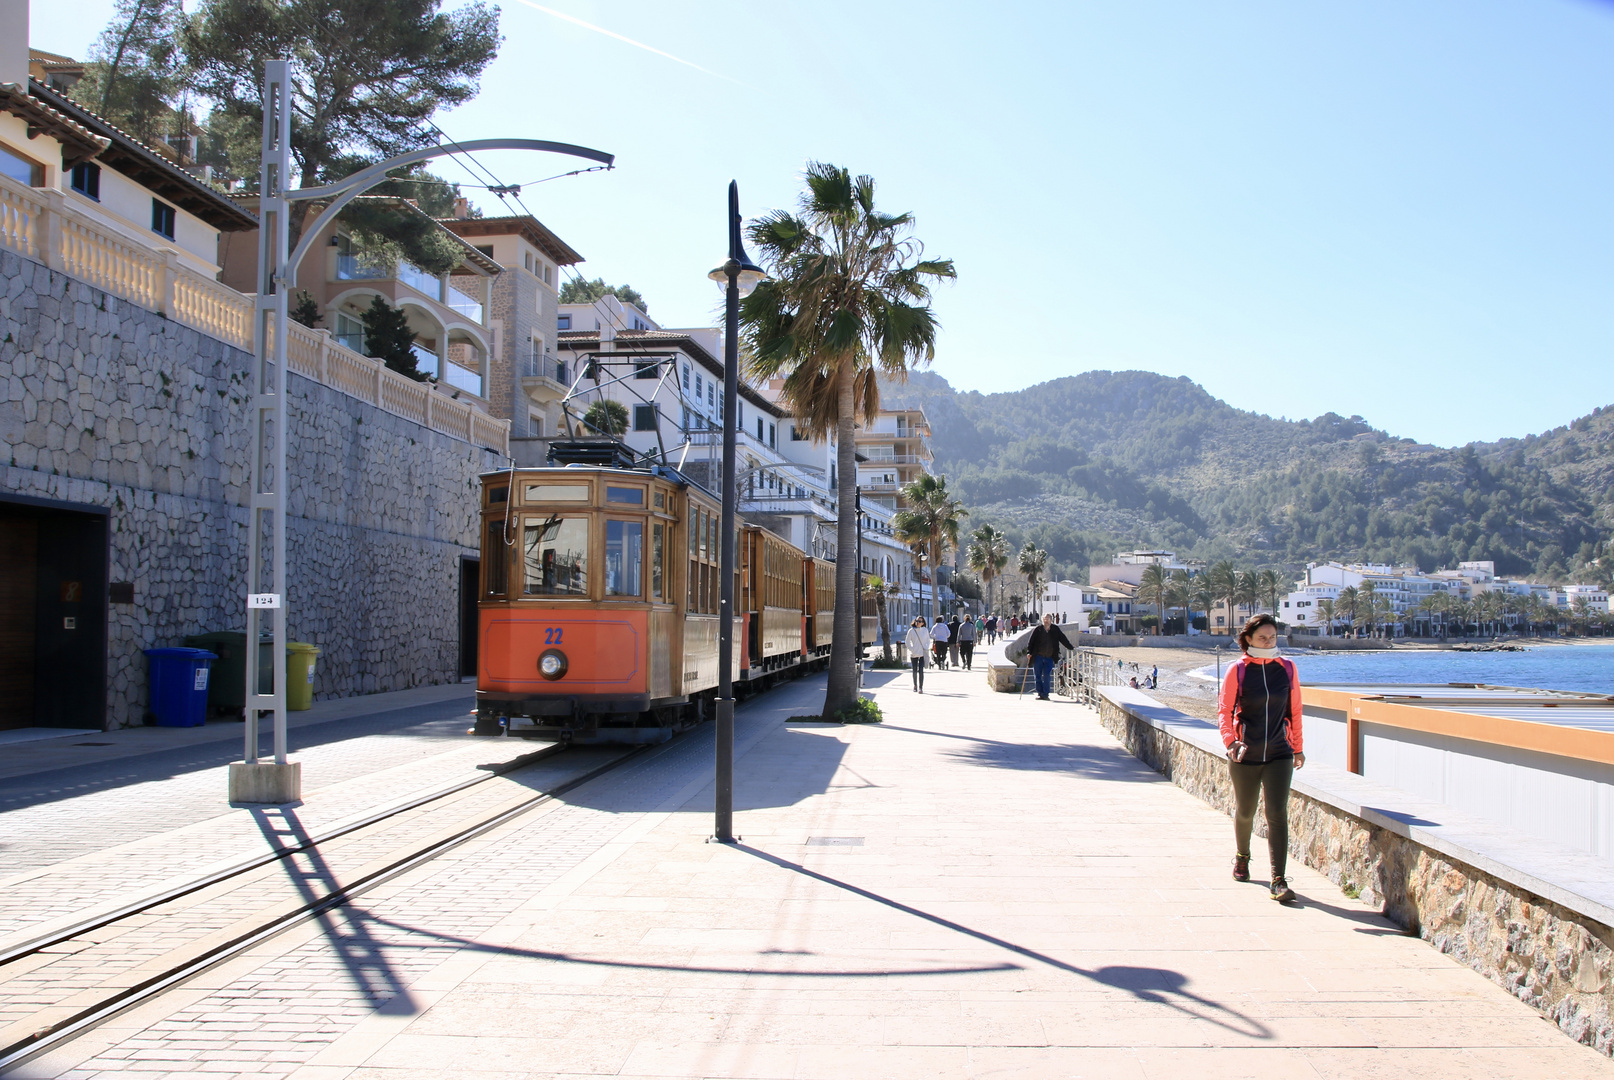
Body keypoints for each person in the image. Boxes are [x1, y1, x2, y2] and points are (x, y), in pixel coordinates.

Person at [1218, 613, 1305, 903]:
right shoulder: (1238, 670)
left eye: (1273, 637)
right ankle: (1242, 856)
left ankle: (1278, 880)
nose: (1268, 642)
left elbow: (1295, 710)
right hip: (1246, 753)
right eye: (1262, 638)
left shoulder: (1287, 668)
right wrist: (1231, 742)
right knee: (1246, 811)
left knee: (1277, 814)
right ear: (1248, 640)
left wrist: (1298, 747)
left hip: (1280, 752)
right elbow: (1224, 710)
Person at [1025, 613, 1074, 700]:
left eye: (1048, 619)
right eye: (1044, 619)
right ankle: (1040, 693)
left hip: (1050, 657)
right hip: (1038, 656)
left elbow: (1062, 638)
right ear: (1042, 620)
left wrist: (1071, 647)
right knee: (1038, 675)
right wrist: (1029, 652)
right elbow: (1031, 642)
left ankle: (1046, 694)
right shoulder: (1038, 629)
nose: (1046, 620)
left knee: (1047, 675)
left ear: (1051, 620)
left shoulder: (1055, 629)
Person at [904, 616, 930, 692]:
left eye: (920, 621)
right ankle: (915, 685)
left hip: (922, 653)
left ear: (923, 623)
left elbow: (928, 640)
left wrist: (926, 647)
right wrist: (912, 649)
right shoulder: (911, 631)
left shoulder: (925, 630)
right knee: (914, 670)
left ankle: (921, 687)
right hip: (914, 654)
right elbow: (907, 642)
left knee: (921, 670)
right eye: (917, 621)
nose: (918, 622)